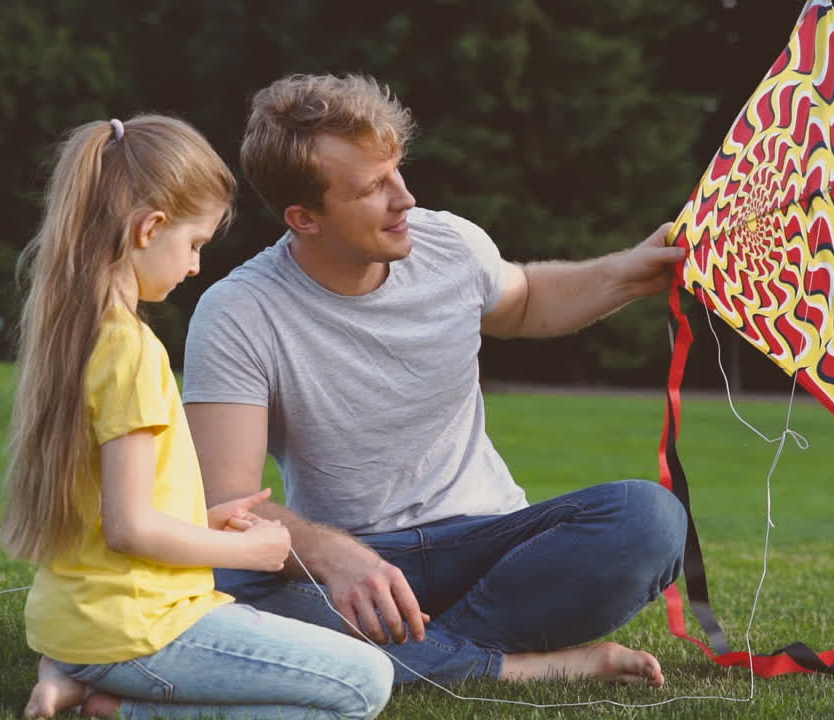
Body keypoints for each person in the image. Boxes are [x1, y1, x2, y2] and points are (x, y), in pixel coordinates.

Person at [183, 74, 689, 687]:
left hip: (490, 547)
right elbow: (226, 510)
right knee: (217, 583)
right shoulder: (239, 311)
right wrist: (331, 553)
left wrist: (629, 274)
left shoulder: (448, 244)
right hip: (356, 567)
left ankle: (412, 655)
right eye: (373, 187)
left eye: (396, 170)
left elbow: (525, 300)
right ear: (304, 217)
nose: (405, 199)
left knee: (651, 518)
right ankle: (509, 666)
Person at [0, 114, 393, 719]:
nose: (194, 266)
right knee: (365, 683)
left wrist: (205, 522)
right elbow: (130, 529)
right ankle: (113, 708)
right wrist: (254, 554)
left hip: (82, 622)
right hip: (138, 627)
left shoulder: (81, 335)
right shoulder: (129, 351)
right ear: (149, 228)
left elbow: (110, 515)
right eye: (195, 244)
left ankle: (75, 677)